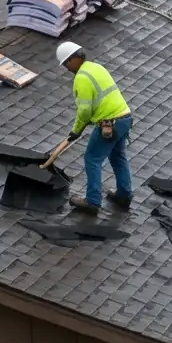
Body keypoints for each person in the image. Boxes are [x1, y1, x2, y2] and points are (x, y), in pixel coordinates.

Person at [56, 39, 132, 214]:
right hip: (124, 119)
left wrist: (76, 131)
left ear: (74, 58)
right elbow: (98, 102)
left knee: (92, 158)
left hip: (109, 124)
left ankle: (92, 201)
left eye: (66, 63)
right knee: (118, 157)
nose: (67, 68)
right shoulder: (96, 67)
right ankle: (124, 195)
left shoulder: (81, 78)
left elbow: (84, 111)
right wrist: (89, 121)